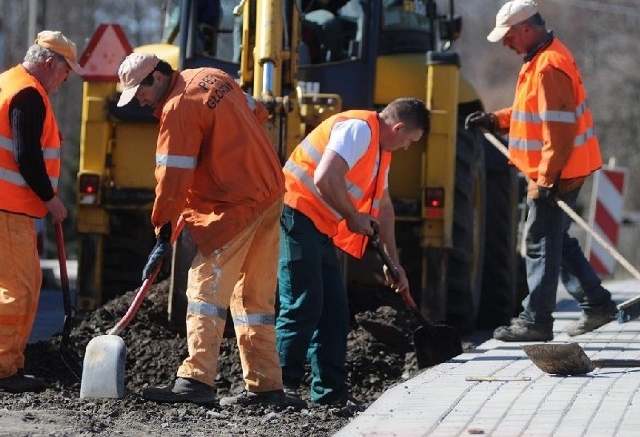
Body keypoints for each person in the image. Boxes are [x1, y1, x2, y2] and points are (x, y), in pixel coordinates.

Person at [115, 52, 290, 406]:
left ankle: (196, 379)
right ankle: (266, 385)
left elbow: (172, 178)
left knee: (205, 291)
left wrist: (163, 233)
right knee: (254, 298)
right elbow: (259, 110)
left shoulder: (177, 109)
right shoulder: (211, 75)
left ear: (157, 78)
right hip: (269, 193)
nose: (139, 102)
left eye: (140, 93)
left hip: (234, 205)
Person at [465, 0, 617, 342]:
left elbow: (559, 134)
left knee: (539, 242)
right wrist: (495, 120)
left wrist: (547, 180)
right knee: (556, 240)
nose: (506, 43)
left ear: (526, 29)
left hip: (558, 172)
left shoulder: (549, 67)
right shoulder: (539, 61)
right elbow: (527, 113)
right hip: (559, 168)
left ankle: (536, 321)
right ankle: (597, 303)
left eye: (508, 36)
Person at [276, 97, 430, 405]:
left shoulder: (380, 153)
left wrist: (394, 263)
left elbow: (384, 209)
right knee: (303, 302)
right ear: (398, 128)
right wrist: (352, 216)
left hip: (320, 226)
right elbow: (324, 177)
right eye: (409, 140)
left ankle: (330, 395)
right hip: (296, 213)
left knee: (334, 312)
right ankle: (277, 387)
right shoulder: (358, 131)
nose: (407, 148)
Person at [0, 30, 83, 392]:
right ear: (51, 64)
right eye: (66, 73)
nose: (65, 81)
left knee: (28, 285)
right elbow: (26, 156)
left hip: (10, 209)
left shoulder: (8, 82)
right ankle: (3, 369)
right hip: (8, 209)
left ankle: (11, 364)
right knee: (16, 290)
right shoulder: (28, 94)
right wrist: (52, 200)